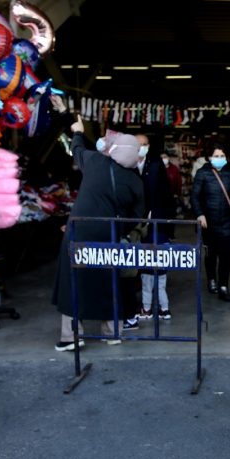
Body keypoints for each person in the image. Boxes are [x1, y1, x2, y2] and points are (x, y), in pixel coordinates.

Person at [52, 121, 144, 351]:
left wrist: (78, 132)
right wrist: (120, 230)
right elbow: (138, 216)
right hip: (109, 235)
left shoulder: (95, 162)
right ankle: (112, 332)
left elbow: (77, 149)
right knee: (109, 281)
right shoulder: (135, 181)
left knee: (73, 281)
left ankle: (72, 337)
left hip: (79, 231)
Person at [124, 134, 176, 328]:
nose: (141, 148)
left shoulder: (155, 166)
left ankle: (163, 307)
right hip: (132, 224)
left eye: (145, 145)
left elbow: (166, 195)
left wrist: (169, 227)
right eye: (138, 145)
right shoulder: (125, 164)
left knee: (158, 262)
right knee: (136, 265)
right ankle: (143, 306)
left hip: (155, 222)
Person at [190, 145, 230, 302]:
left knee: (225, 256)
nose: (219, 158)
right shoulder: (203, 173)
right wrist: (200, 215)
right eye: (216, 155)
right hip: (208, 222)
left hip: (227, 222)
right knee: (211, 254)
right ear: (209, 157)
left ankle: (223, 286)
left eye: (222, 155)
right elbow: (194, 196)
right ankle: (211, 280)